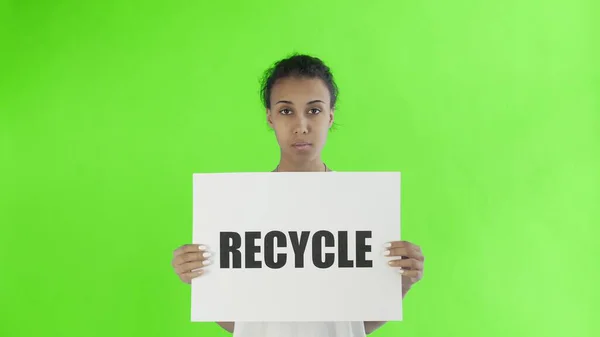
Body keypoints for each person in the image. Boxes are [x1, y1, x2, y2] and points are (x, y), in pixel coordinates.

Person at [171, 54, 425, 337]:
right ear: (270, 117)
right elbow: (243, 324)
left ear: (330, 115)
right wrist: (202, 280)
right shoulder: (241, 207)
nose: (301, 125)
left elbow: (356, 325)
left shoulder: (359, 205)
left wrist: (401, 283)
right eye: (286, 111)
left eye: (314, 110)